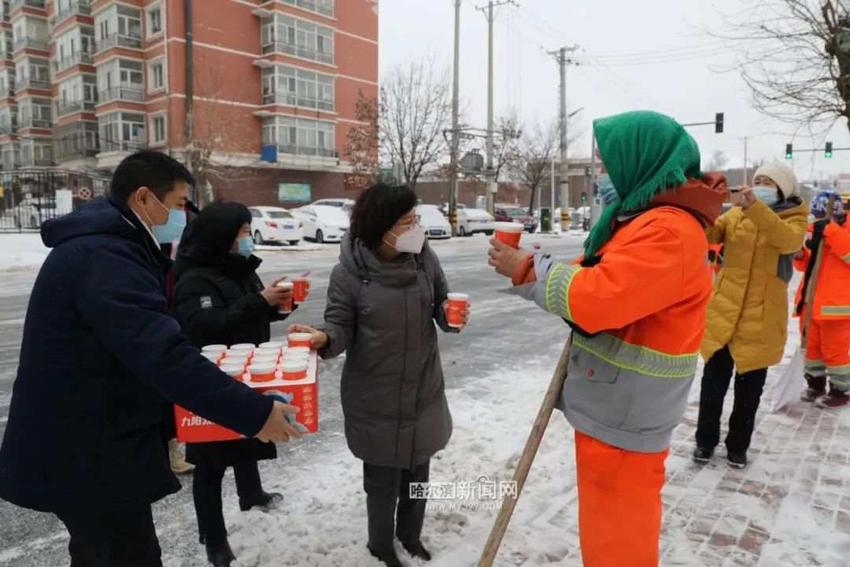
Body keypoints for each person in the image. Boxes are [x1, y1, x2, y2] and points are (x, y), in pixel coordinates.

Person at [0, 151, 301, 567]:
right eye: (179, 204)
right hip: (87, 454)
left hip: (95, 444)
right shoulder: (105, 257)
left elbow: (130, 354)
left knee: (102, 553)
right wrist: (254, 413)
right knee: (125, 554)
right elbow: (162, 353)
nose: (183, 216)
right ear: (144, 198)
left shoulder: (113, 248)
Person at [488, 111, 726, 567]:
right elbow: (599, 271)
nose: (602, 175)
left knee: (619, 547)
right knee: (608, 537)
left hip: (628, 416)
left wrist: (526, 269)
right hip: (618, 408)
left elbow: (599, 298)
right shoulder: (644, 221)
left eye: (608, 163)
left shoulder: (668, 231)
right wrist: (536, 262)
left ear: (643, 161)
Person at [289, 183, 469, 567]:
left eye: (415, 217)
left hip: (422, 386)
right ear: (382, 227)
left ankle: (411, 536)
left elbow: (440, 302)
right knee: (383, 478)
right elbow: (339, 325)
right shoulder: (349, 274)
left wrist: (451, 318)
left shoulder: (423, 259)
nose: (416, 226)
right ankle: (381, 546)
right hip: (376, 391)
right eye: (407, 220)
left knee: (418, 470)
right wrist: (324, 337)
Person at [173, 201, 295, 566]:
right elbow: (203, 327)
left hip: (246, 370)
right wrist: (259, 302)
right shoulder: (195, 278)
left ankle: (251, 493)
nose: (248, 238)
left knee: (248, 434)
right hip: (212, 381)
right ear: (222, 236)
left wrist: (278, 306)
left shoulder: (241, 269)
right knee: (210, 463)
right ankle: (214, 538)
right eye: (242, 231)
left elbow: (251, 307)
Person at [694, 163, 808, 469]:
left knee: (749, 393)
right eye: (757, 180)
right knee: (712, 385)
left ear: (783, 187)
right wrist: (699, 207)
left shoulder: (795, 218)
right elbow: (708, 233)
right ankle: (704, 442)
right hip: (724, 313)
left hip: (762, 318)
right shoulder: (735, 214)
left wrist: (755, 207)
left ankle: (737, 447)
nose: (759, 185)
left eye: (767, 181)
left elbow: (788, 241)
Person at [795, 191, 850, 408]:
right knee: (812, 349)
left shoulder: (842, 232)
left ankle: (840, 389)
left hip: (836, 306)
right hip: (810, 302)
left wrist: (832, 232)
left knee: (834, 350)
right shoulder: (814, 231)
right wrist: (800, 256)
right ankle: (815, 384)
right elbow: (806, 265)